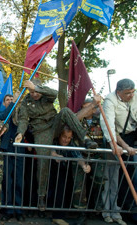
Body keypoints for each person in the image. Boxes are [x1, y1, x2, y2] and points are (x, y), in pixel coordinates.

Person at [15, 79, 90, 212]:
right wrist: (20, 133)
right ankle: (41, 196)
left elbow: (54, 93)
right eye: (31, 92)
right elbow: (22, 119)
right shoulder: (26, 102)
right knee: (43, 161)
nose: (34, 94)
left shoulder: (45, 94)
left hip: (54, 124)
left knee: (66, 111)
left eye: (35, 91)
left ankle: (85, 138)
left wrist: (37, 88)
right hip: (41, 131)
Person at [99, 78, 135, 225]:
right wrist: (115, 144)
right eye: (128, 93)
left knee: (129, 178)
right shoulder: (109, 101)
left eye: (133, 92)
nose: (131, 95)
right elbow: (108, 124)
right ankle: (108, 211)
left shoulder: (135, 96)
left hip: (132, 136)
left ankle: (119, 211)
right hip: (115, 138)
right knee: (111, 179)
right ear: (118, 92)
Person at [50, 125, 91, 225]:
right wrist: (55, 155)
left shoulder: (71, 144)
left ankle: (62, 214)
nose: (66, 140)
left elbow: (77, 156)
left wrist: (84, 165)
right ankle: (57, 216)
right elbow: (49, 150)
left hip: (65, 169)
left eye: (69, 138)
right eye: (64, 137)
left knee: (65, 186)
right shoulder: (53, 140)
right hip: (50, 168)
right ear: (59, 135)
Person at [0, 91, 25, 222]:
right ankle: (7, 210)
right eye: (8, 99)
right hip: (7, 148)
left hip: (19, 149)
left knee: (19, 180)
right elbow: (4, 116)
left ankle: (18, 210)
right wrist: (13, 104)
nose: (10, 100)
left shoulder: (21, 112)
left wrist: (16, 105)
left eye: (12, 99)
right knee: (7, 181)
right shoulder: (0, 113)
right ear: (4, 102)